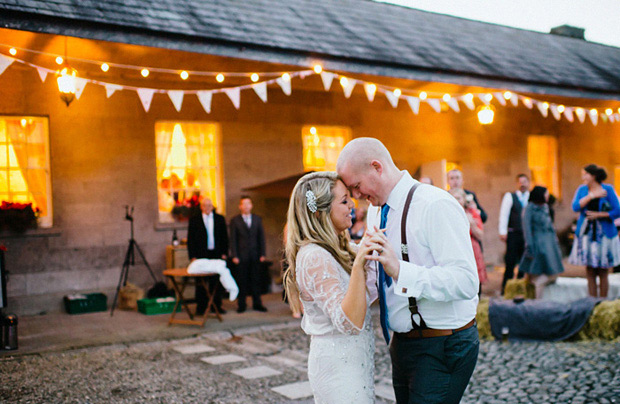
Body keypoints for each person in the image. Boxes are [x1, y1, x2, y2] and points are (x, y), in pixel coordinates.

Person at [337, 138, 479, 404]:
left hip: (442, 345)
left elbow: (467, 281)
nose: (356, 196)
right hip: (402, 344)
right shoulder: (375, 212)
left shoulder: (434, 205)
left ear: (377, 167)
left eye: (356, 186)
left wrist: (401, 270)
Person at [284, 171, 377, 403]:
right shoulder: (314, 256)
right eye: (344, 200)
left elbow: (369, 294)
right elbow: (348, 322)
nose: (352, 205)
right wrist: (358, 266)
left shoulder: (341, 249)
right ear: (319, 211)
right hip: (338, 369)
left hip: (357, 363)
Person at [568, 164, 620, 298]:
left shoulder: (607, 189)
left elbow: (617, 210)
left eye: (585, 174)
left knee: (603, 270)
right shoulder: (582, 190)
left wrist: (600, 215)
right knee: (590, 270)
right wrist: (591, 196)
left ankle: (602, 302)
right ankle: (592, 302)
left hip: (604, 234)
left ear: (594, 176)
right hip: (587, 234)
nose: (583, 176)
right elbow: (575, 207)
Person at [519, 186, 564, 299]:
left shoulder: (546, 207)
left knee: (553, 271)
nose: (547, 196)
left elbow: (551, 226)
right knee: (533, 273)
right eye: (546, 194)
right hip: (538, 244)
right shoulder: (529, 208)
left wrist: (555, 240)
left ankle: (537, 289)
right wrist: (529, 246)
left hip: (550, 243)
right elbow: (527, 229)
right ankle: (533, 298)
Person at [187, 197, 230, 314]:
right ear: (201, 207)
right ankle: (201, 307)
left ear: (212, 207)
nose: (207, 208)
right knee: (201, 282)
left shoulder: (219, 219)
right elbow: (191, 239)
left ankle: (216, 306)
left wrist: (224, 253)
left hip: (216, 254)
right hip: (201, 254)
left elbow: (224, 238)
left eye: (209, 205)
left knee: (216, 281)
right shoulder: (194, 220)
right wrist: (192, 256)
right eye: (205, 205)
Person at [230, 195, 268, 312]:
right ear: (240, 206)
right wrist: (235, 255)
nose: (246, 206)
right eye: (244, 204)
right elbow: (233, 239)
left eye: (248, 204)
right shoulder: (235, 220)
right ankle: (241, 304)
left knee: (256, 280)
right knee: (242, 281)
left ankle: (257, 303)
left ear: (251, 206)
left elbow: (261, 237)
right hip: (241, 256)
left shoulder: (257, 219)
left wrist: (263, 254)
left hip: (255, 255)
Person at [498, 173, 530, 294]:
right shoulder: (510, 196)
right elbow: (504, 214)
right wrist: (502, 231)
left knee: (524, 262)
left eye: (524, 181)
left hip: (526, 235)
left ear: (528, 183)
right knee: (510, 261)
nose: (522, 184)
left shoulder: (530, 196)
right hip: (513, 233)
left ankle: (519, 288)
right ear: (517, 183)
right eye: (520, 182)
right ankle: (505, 289)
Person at [450, 188, 487, 290]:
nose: (456, 201)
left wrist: (471, 224)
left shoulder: (472, 213)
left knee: (475, 282)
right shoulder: (447, 214)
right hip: (454, 249)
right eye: (453, 198)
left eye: (458, 198)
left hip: (472, 248)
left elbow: (480, 235)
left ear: (463, 199)